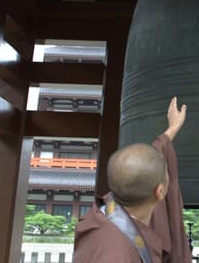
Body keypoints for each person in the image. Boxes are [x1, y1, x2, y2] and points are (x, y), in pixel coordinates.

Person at [73, 97, 192, 263]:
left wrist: (170, 131)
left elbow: (140, 168)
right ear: (159, 191)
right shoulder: (114, 255)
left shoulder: (107, 210)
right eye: (167, 175)